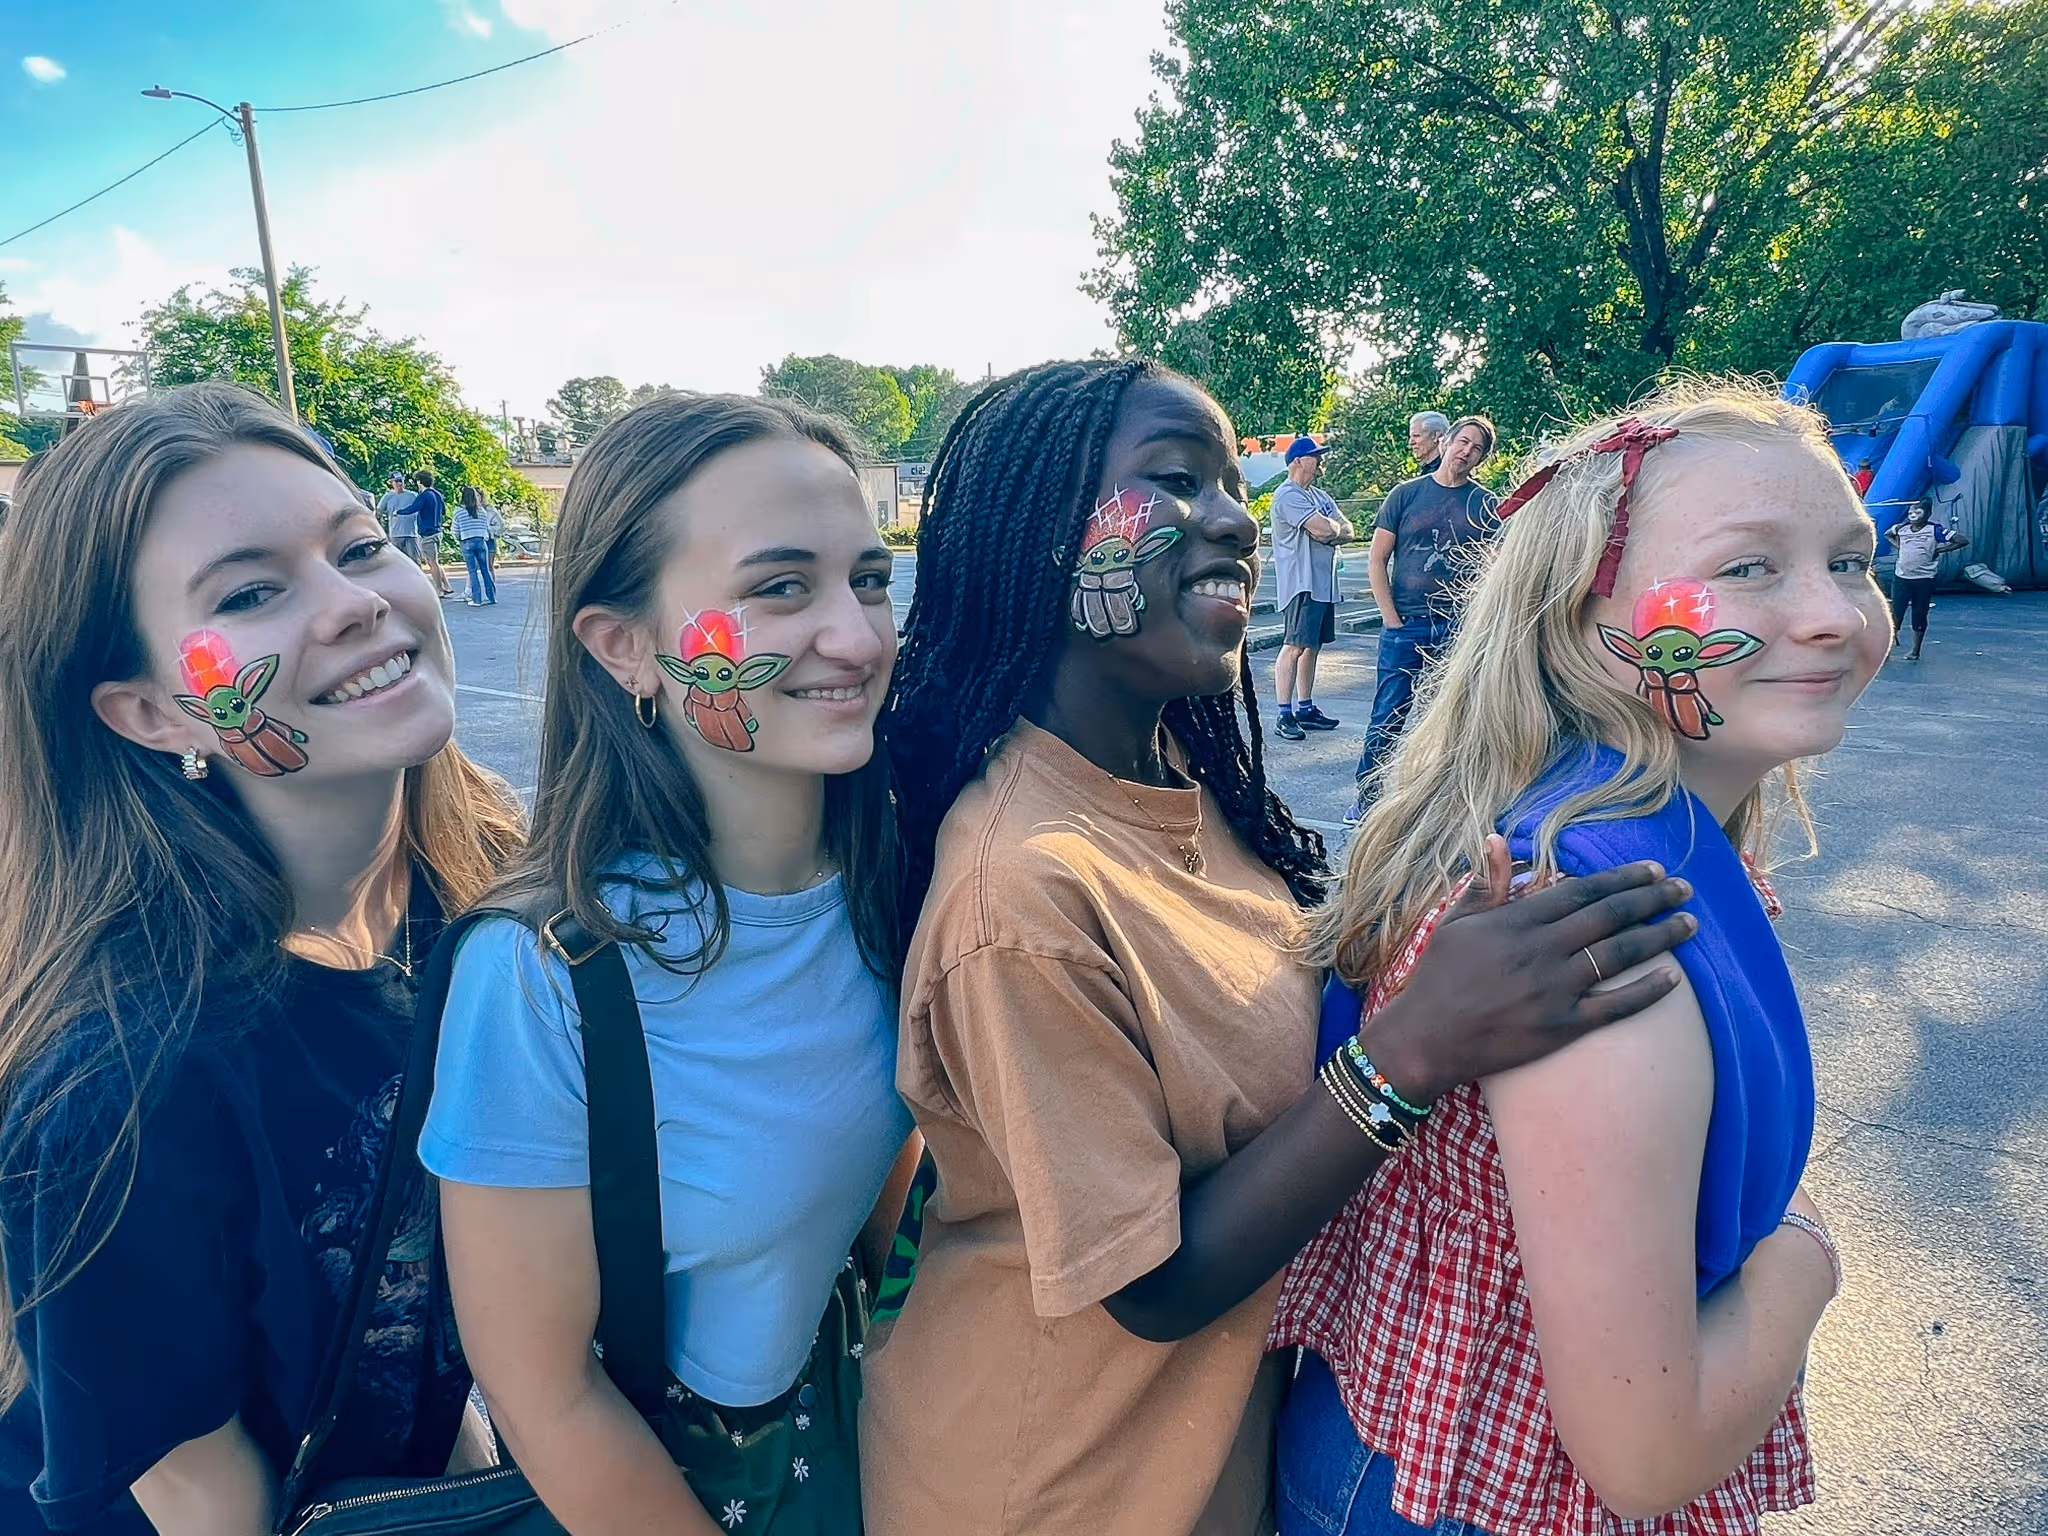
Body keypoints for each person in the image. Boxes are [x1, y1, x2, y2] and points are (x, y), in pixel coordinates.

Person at [864, 359, 1699, 1536]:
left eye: (1228, 482)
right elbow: (1152, 1286)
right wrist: (1413, 1051)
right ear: (1040, 541)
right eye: (1173, 481)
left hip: (1205, 1459)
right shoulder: (1021, 890)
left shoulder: (1176, 775)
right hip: (1050, 1486)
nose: (1230, 516)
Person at [1272, 379, 1872, 1536]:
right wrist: (1802, 1264)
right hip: (1482, 1498)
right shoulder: (1597, 927)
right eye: (1749, 567)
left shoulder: (1563, 819)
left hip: (1400, 1455)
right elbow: (1644, 1453)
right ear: (1574, 621)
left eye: (1848, 560)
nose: (1837, 616)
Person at [0, 383, 522, 1535]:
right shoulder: (125, 1072)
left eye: (361, 548)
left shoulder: (480, 910)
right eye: (250, 593)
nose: (354, 605)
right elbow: (201, 1491)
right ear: (154, 713)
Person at [418, 394, 916, 1534]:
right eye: (779, 588)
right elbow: (544, 1394)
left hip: (864, 1453)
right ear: (623, 647)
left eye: (871, 579)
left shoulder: (892, 871)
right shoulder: (542, 977)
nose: (855, 635)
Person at [1349, 415, 1498, 819]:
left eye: (1476, 448)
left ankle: (1431, 800)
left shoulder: (1485, 505)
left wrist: (1476, 627)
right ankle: (1366, 798)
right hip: (1406, 626)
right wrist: (1390, 618)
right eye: (1463, 441)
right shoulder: (1406, 495)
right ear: (1447, 441)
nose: (1466, 451)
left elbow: (1496, 569)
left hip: (1456, 630)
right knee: (1388, 715)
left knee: (1447, 721)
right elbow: (1378, 559)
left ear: (1481, 458)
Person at [1269, 436, 1352, 741]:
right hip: (1300, 583)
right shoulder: (1288, 496)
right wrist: (1328, 529)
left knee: (1312, 646)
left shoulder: (1320, 496)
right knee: (1294, 646)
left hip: (1323, 584)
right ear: (1298, 461)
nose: (1321, 461)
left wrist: (1330, 531)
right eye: (1316, 456)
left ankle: (1305, 708)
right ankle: (1283, 713)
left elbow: (1347, 529)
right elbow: (1321, 528)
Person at [1884, 494, 1966, 661]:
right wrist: (1899, 546)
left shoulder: (1935, 530)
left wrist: (1940, 550)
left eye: (1918, 512)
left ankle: (1915, 651)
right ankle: (1887, 652)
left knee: (1919, 614)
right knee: (1895, 615)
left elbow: (1961, 540)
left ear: (1926, 514)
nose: (1913, 516)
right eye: (1911, 512)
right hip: (1901, 578)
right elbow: (1888, 534)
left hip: (1924, 579)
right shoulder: (1902, 529)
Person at [410, 470, 454, 598]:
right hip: (438, 531)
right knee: (435, 561)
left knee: (431, 562)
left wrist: (399, 512)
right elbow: (444, 512)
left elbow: (413, 508)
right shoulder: (437, 494)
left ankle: (439, 589)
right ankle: (446, 585)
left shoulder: (424, 495)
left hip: (427, 533)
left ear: (419, 482)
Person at [452, 486, 498, 606]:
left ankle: (477, 599)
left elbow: (455, 530)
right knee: (486, 570)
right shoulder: (481, 511)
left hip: (467, 542)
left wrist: (459, 539)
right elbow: (487, 528)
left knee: (472, 572)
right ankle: (492, 597)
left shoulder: (458, 511)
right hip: (481, 542)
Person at [379, 469, 419, 561]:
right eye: (396, 481)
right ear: (391, 483)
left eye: (401, 481)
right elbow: (378, 512)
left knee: (414, 561)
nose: (399, 484)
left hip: (411, 534)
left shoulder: (413, 495)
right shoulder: (387, 497)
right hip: (395, 534)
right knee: (397, 561)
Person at [1407, 411, 1448, 475]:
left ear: (1436, 436)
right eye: (1411, 437)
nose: (1411, 442)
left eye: (1416, 436)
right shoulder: (1428, 469)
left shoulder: (1447, 471)